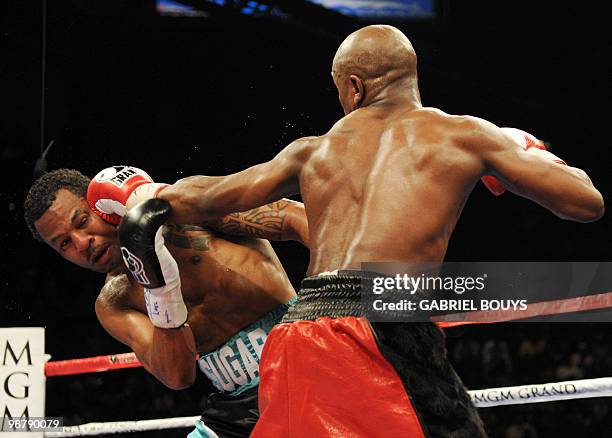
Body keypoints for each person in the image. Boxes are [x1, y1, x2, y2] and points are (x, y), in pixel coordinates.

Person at [143, 25, 603, 436]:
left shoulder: (312, 150)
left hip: (299, 329)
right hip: (381, 320)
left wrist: (143, 198)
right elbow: (586, 203)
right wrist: (532, 151)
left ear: (354, 86)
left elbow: (204, 197)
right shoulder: (465, 135)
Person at [24, 166, 309, 438]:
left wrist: (348, 301)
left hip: (304, 363)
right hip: (236, 407)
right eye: (63, 244)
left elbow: (298, 219)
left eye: (82, 221)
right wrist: (159, 286)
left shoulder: (192, 208)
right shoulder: (114, 302)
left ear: (102, 204)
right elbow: (177, 376)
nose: (81, 242)